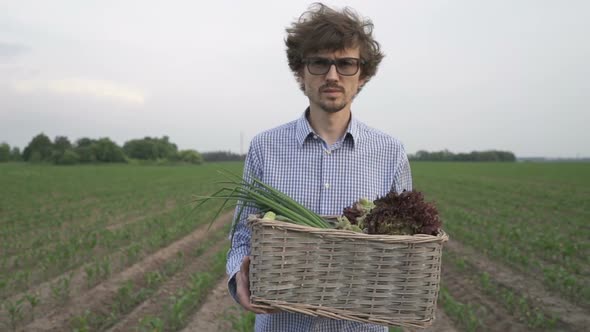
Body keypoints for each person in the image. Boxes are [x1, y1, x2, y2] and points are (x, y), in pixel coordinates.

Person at [226, 3, 412, 331]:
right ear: (301, 71)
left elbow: (406, 243)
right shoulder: (265, 147)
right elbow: (243, 234)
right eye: (319, 62)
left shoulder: (390, 152)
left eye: (346, 64)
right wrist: (236, 275)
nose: (332, 75)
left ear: (363, 74)